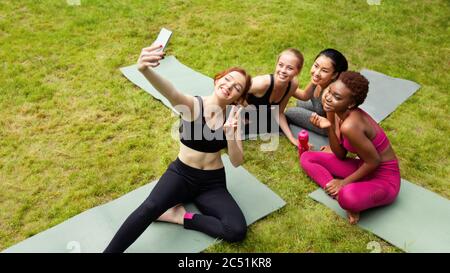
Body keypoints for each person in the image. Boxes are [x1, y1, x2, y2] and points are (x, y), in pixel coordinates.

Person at [104, 44, 252, 253]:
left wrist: (230, 135)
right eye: (228, 79)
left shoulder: (233, 118)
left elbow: (237, 162)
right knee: (149, 208)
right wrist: (144, 69)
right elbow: (170, 91)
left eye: (237, 87)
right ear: (218, 79)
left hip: (212, 183)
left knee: (236, 231)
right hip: (182, 175)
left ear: (238, 97)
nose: (229, 86)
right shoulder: (192, 106)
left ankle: (179, 216)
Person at [300, 71, 400, 225]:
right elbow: (340, 154)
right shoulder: (337, 111)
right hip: (363, 167)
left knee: (348, 196)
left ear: (351, 104)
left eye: (337, 97)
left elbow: (374, 161)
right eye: (330, 91)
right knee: (307, 157)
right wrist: (329, 127)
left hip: (384, 179)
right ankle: (336, 191)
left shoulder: (351, 124)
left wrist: (343, 183)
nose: (328, 97)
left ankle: (345, 194)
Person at [245, 48, 303, 146]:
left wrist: (292, 139)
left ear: (297, 71)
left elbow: (279, 113)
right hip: (237, 111)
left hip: (259, 115)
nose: (283, 71)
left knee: (279, 125)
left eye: (289, 68)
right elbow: (235, 91)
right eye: (280, 65)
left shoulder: (292, 84)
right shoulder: (262, 83)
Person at [285, 48, 348, 136]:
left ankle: (322, 117)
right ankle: (321, 112)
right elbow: (305, 96)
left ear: (334, 75)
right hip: (322, 110)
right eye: (316, 66)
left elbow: (334, 126)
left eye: (324, 70)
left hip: (327, 126)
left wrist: (331, 147)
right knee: (300, 103)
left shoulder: (329, 94)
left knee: (290, 112)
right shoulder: (318, 80)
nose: (317, 73)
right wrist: (284, 86)